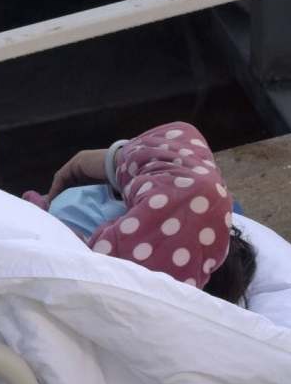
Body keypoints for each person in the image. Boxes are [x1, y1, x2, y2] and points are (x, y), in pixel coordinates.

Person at [27, 121, 256, 303]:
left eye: (123, 224)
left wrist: (116, 159)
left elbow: (199, 190)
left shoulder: (100, 280)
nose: (94, 193)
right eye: (119, 195)